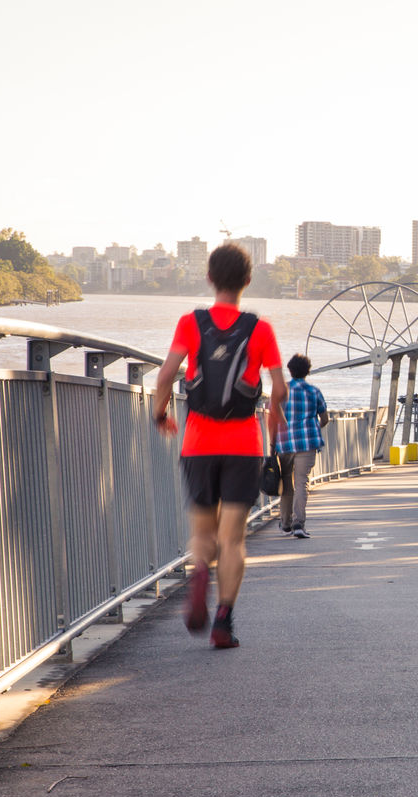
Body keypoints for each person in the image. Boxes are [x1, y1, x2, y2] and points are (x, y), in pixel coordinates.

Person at [153, 243, 286, 650]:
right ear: (248, 280)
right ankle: (224, 621)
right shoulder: (260, 328)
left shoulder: (190, 323)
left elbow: (165, 376)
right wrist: (273, 421)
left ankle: (198, 576)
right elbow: (278, 387)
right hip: (244, 444)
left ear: (210, 278)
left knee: (203, 533)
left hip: (197, 441)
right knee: (233, 539)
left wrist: (160, 414)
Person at [275, 353, 328, 539]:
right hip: (307, 443)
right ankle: (299, 523)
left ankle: (285, 523)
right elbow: (325, 418)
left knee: (286, 484)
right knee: (301, 483)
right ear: (308, 371)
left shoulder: (281, 390)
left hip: (284, 443)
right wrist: (311, 430)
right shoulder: (314, 392)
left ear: (289, 370)